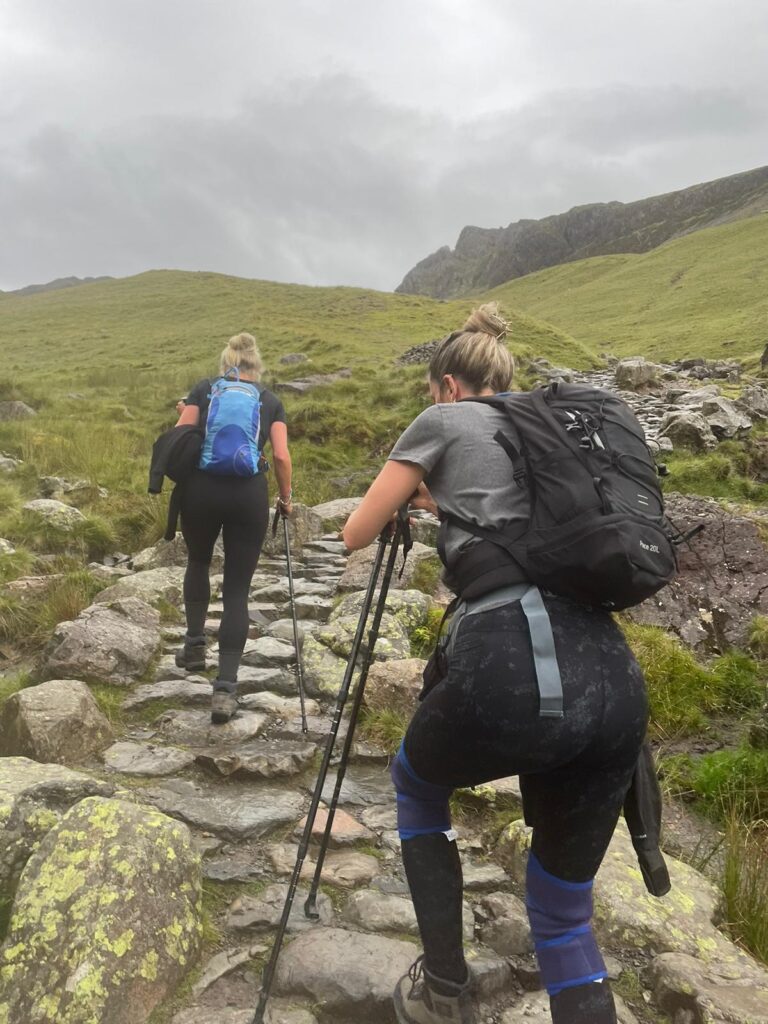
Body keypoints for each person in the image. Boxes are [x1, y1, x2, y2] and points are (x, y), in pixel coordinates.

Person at [342, 303, 648, 1024]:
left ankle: (444, 986)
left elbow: (355, 531)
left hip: (513, 662)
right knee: (565, 917)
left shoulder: (444, 422)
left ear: (447, 385)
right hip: (614, 676)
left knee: (416, 784)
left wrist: (404, 496)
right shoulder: (549, 432)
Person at [175, 332, 293, 724]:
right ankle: (225, 689)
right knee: (237, 589)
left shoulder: (206, 389)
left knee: (197, 561)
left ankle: (194, 647)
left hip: (201, 490)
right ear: (256, 365)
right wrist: (286, 498)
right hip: (248, 494)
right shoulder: (269, 399)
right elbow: (280, 455)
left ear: (226, 360)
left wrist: (185, 410)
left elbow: (182, 434)